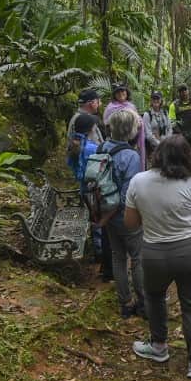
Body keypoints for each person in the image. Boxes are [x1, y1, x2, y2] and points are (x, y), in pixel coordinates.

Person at [125, 135, 191, 379]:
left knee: (155, 297)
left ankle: (158, 346)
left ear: (157, 155)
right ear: (187, 157)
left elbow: (131, 223)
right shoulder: (189, 183)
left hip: (155, 253)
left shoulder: (138, 181)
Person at [98, 110, 145, 319]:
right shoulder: (131, 156)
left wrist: (105, 216)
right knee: (137, 258)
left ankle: (125, 302)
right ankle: (144, 303)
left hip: (106, 213)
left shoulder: (102, 148)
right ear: (130, 129)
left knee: (118, 257)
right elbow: (129, 195)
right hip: (126, 216)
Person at [68, 89, 111, 280]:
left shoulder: (77, 145)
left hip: (85, 186)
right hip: (95, 186)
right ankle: (102, 254)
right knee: (100, 219)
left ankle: (100, 252)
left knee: (95, 218)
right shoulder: (91, 149)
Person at [105, 84, 147, 170]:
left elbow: (138, 122)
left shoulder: (131, 106)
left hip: (132, 142)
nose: (120, 93)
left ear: (126, 92)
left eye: (122, 91)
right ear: (114, 95)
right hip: (116, 142)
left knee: (131, 165)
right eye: (118, 92)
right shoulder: (110, 107)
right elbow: (107, 124)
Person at [143, 91, 171, 155]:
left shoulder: (165, 112)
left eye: (157, 99)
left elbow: (169, 128)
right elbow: (148, 134)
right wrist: (159, 144)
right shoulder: (147, 114)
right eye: (154, 99)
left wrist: (167, 141)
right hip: (153, 148)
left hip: (166, 145)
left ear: (161, 100)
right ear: (151, 101)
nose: (156, 100)